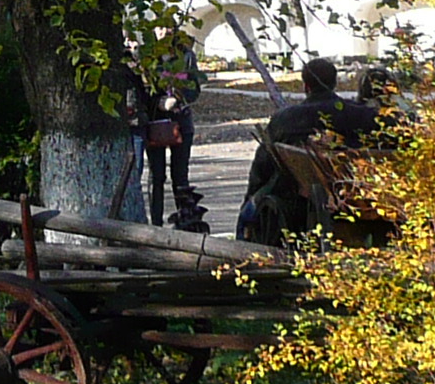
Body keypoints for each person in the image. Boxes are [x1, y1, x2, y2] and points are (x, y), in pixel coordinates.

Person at [235, 57, 348, 246]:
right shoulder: (354, 113)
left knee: (248, 211)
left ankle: (242, 248)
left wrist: (251, 195)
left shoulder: (286, 118)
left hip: (294, 195)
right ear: (335, 83)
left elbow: (262, 165)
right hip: (348, 189)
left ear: (306, 86)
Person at [131, 29, 207, 232]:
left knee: (180, 175)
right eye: (160, 28)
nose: (164, 31)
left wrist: (179, 98)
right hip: (156, 123)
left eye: (168, 28)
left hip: (182, 123)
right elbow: (142, 91)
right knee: (156, 176)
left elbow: (194, 89)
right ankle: (156, 224)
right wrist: (158, 102)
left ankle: (185, 222)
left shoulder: (186, 55)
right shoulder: (149, 58)